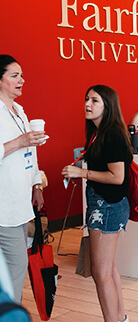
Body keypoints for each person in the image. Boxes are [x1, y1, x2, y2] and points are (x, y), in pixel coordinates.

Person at [62, 85, 132, 322]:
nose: (87, 104)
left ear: (108, 106)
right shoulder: (98, 133)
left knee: (100, 273)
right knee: (108, 269)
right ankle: (120, 318)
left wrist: (83, 174)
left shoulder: (111, 134)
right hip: (105, 205)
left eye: (94, 100)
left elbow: (117, 177)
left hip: (108, 207)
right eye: (86, 99)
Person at [0, 55, 46, 303]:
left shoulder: (19, 111)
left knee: (13, 267)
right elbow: (19, 145)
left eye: (21, 75)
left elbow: (29, 152)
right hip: (3, 205)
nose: (22, 80)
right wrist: (19, 141)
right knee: (17, 266)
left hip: (20, 202)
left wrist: (36, 184)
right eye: (14, 75)